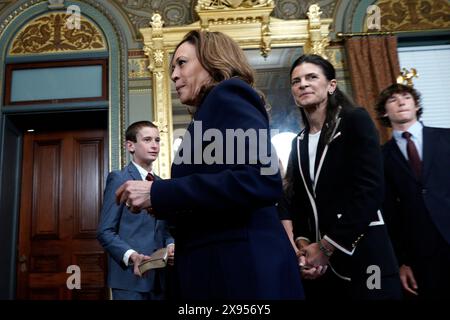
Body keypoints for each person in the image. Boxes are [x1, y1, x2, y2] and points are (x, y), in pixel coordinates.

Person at [115, 30, 304, 300]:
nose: (174, 75)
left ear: (211, 61)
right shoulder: (210, 112)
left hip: (241, 273)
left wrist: (159, 193)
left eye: (182, 63)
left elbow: (259, 180)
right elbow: (218, 191)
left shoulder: (229, 94)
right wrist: (161, 201)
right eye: (172, 68)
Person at [279, 54, 402, 299]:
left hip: (366, 257)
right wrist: (305, 249)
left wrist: (327, 246)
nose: (303, 84)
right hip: (324, 269)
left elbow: (371, 190)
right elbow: (301, 204)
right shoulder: (298, 142)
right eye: (296, 81)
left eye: (311, 77)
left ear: (331, 85)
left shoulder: (355, 120)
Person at [375, 83, 450, 299]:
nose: (400, 102)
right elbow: (389, 213)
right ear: (384, 112)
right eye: (393, 100)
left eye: (406, 97)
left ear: (416, 105)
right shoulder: (381, 157)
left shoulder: (446, 137)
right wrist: (401, 262)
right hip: (420, 255)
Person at [97, 121, 174, 300]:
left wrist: (171, 244)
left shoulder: (162, 184)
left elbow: (165, 229)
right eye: (147, 140)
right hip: (130, 280)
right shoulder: (119, 178)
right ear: (130, 146)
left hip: (161, 281)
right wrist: (132, 256)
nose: (154, 145)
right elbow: (105, 231)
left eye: (157, 140)